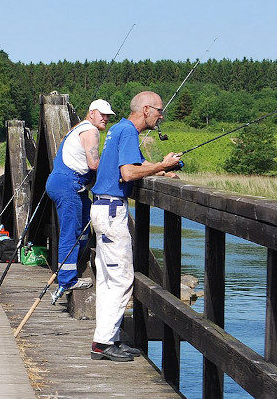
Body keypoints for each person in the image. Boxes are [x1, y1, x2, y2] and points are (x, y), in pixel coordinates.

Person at [89, 91, 181, 362]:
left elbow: (136, 165)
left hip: (101, 208)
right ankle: (104, 343)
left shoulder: (119, 130)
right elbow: (128, 173)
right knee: (121, 279)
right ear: (146, 110)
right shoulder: (128, 132)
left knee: (107, 279)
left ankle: (106, 339)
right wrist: (162, 165)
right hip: (112, 212)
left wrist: (161, 169)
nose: (161, 115)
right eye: (159, 110)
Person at [46, 99, 115, 296]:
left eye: (108, 116)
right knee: (71, 230)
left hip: (69, 184)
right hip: (69, 184)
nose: (106, 118)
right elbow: (94, 164)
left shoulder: (77, 128)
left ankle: (76, 265)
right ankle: (67, 280)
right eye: (102, 114)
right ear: (92, 112)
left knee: (84, 224)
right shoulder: (90, 130)